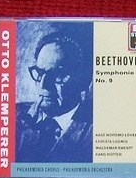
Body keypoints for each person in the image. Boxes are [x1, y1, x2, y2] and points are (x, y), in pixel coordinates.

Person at [16, 31, 93, 164]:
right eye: (40, 72)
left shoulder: (96, 132)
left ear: (83, 80)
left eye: (58, 74)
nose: (43, 85)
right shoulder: (14, 118)